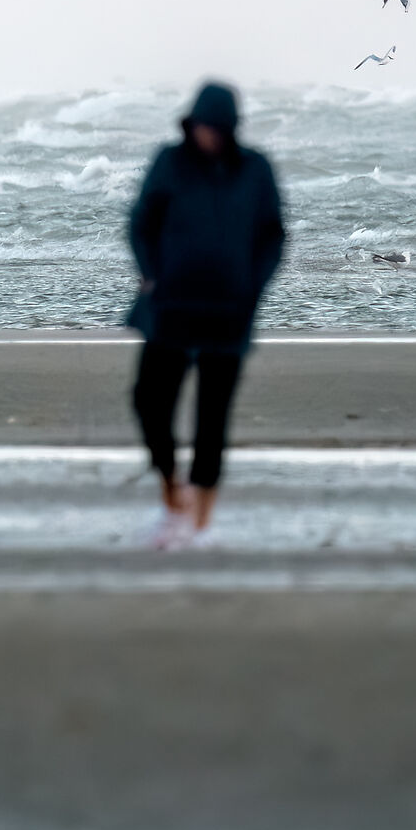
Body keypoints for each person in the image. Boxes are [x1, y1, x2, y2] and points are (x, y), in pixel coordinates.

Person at [125, 82, 286, 548]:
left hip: (229, 310)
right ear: (190, 123)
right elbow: (141, 223)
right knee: (149, 402)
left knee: (212, 418)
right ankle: (171, 488)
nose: (207, 135)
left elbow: (272, 235)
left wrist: (252, 288)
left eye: (216, 128)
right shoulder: (169, 162)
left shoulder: (254, 170)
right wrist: (150, 273)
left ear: (231, 128)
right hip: (171, 305)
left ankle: (201, 522)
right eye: (200, 126)